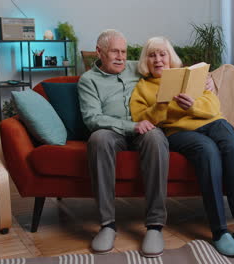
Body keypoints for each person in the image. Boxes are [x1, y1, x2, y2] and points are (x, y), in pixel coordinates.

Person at [130, 36, 234, 258]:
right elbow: (140, 118)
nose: (158, 59)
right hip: (178, 132)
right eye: (152, 55)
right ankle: (219, 231)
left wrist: (192, 105)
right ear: (145, 61)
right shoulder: (142, 88)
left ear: (170, 57)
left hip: (213, 123)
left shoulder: (191, 77)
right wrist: (162, 106)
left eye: (162, 54)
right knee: (208, 151)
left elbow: (212, 105)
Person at [77, 30, 169, 257]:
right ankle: (107, 224)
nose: (120, 57)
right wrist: (131, 126)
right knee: (98, 138)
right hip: (112, 132)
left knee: (157, 137)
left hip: (145, 129)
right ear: (99, 52)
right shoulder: (88, 81)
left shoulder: (137, 68)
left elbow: (168, 69)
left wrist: (206, 80)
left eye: (124, 51)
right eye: (114, 52)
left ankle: (155, 226)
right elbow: (92, 119)